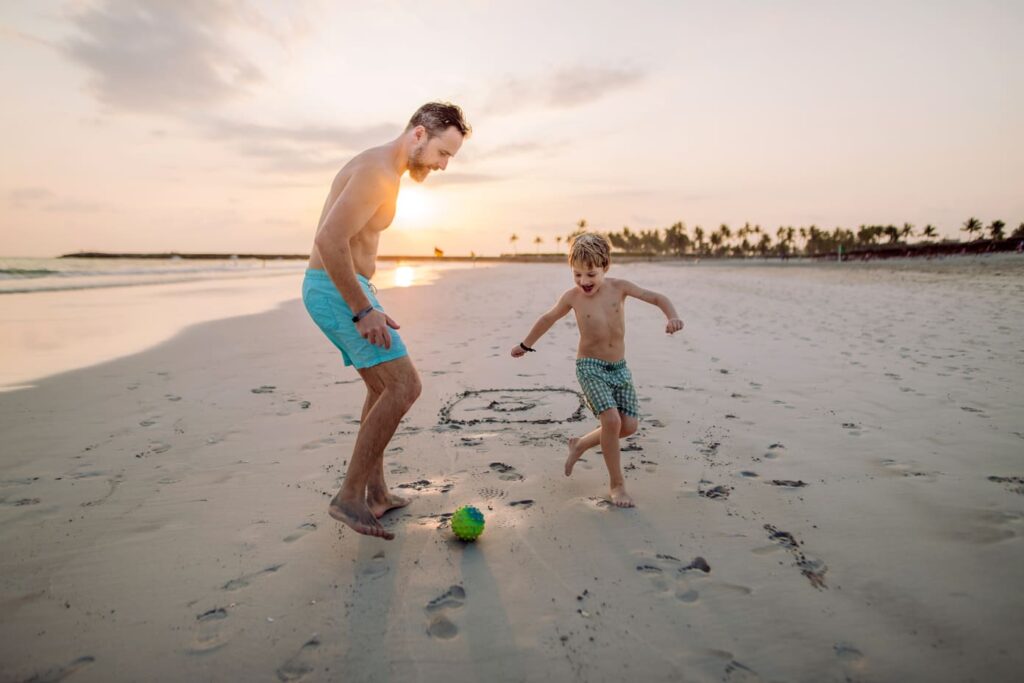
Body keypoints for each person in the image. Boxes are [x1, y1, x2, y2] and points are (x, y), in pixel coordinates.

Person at [303, 102, 471, 539]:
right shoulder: (377, 170)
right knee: (405, 385)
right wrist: (361, 308)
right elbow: (328, 240)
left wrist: (365, 298)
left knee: (382, 387)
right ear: (419, 135)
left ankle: (375, 493)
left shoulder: (385, 170)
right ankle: (349, 497)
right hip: (335, 291)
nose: (443, 166)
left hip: (347, 288)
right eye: (443, 153)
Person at [510, 233, 683, 507]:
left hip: (619, 367)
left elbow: (657, 297)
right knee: (611, 422)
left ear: (605, 267)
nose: (584, 282)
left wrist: (671, 316)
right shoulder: (572, 297)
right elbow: (548, 318)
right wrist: (525, 344)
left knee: (629, 426)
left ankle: (579, 445)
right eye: (577, 275)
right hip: (590, 367)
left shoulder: (620, 287)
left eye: (590, 274)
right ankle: (617, 485)